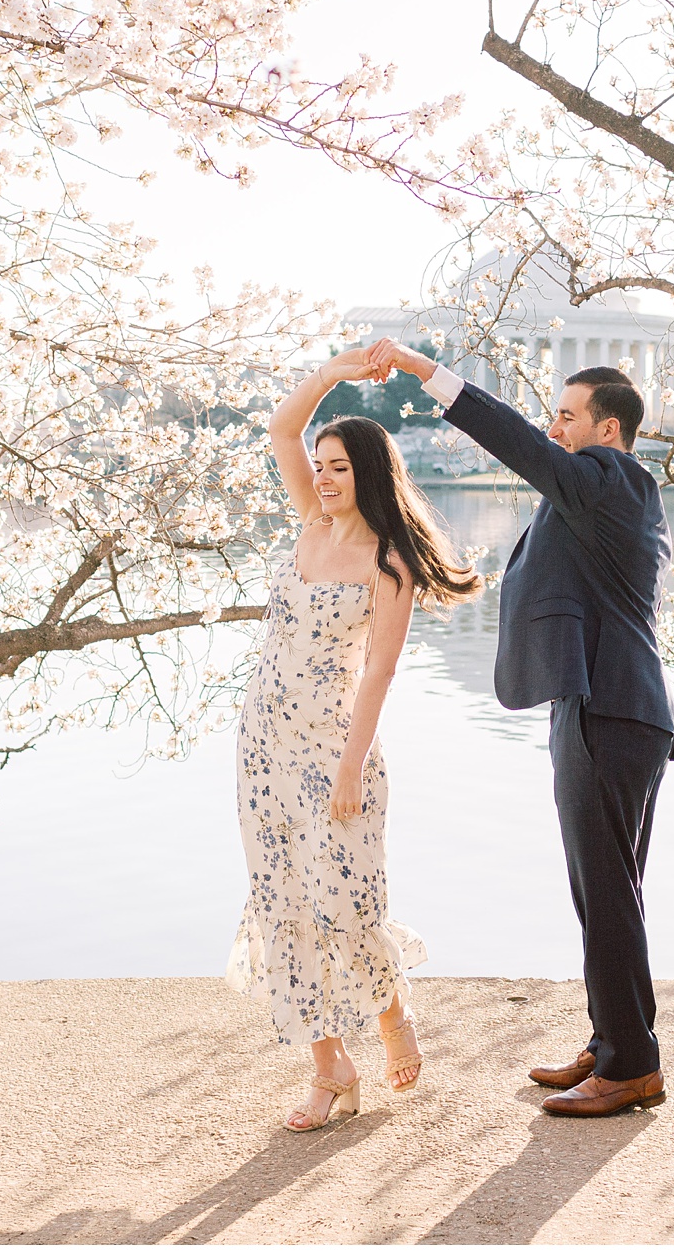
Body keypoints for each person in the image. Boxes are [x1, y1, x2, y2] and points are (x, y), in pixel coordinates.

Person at [369, 337, 674, 1119]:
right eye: (553, 415)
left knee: (605, 890)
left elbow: (512, 440)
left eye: (567, 417)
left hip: (606, 708)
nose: (553, 429)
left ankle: (631, 1066)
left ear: (607, 430)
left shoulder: (608, 478)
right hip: (606, 705)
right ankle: (615, 1041)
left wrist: (424, 372)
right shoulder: (608, 492)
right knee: (609, 892)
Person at [228, 347, 482, 1132]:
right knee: (284, 905)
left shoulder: (390, 560)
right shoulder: (308, 519)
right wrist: (338, 368)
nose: (326, 476)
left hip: (333, 751)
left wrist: (347, 767)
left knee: (342, 905)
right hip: (261, 745)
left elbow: (377, 675)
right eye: (322, 465)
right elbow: (281, 425)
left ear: (368, 473)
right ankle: (329, 1066)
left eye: (340, 467)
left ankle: (391, 1005)